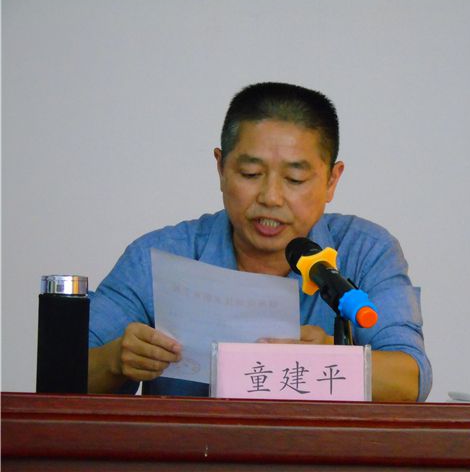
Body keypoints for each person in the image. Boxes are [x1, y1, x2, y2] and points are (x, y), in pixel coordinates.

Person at [88, 82, 432, 401]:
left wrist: (331, 360)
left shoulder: (365, 251)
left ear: (331, 180)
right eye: (250, 174)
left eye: (294, 179)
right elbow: (67, 371)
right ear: (221, 169)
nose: (270, 197)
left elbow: (411, 379)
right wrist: (114, 360)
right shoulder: (161, 255)